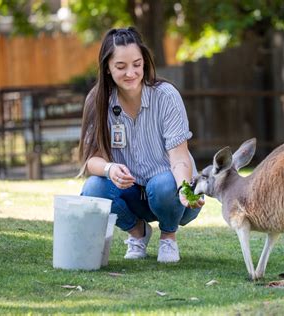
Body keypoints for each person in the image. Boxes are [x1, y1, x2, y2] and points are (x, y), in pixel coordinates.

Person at [77, 27, 204, 263]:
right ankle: (138, 232)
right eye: (121, 66)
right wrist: (109, 169)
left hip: (173, 193)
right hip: (132, 194)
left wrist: (185, 190)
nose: (131, 73)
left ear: (144, 61)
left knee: (163, 185)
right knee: (93, 189)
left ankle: (168, 236)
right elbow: (90, 160)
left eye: (136, 64)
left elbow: (179, 158)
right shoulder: (97, 100)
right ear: (107, 67)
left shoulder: (166, 96)